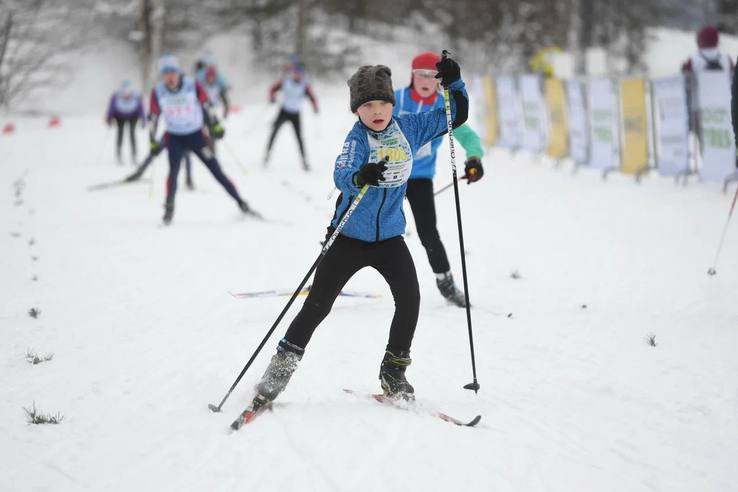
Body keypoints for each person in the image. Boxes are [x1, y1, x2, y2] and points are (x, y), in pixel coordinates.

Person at [240, 54, 469, 419]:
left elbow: (454, 115)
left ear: (392, 104)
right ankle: (277, 374)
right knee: (317, 306)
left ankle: (393, 373)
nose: (376, 111)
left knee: (410, 299)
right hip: (348, 235)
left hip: (390, 238)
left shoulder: (409, 127)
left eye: (382, 103)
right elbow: (342, 172)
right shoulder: (357, 138)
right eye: (367, 105)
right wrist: (361, 176)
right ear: (357, 111)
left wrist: (455, 84)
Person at [394, 51, 484, 307]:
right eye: (420, 74)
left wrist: (474, 158)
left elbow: (468, 137)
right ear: (412, 76)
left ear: (438, 79)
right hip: (391, 176)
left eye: (432, 75)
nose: (425, 79)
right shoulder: (396, 99)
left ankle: (446, 283)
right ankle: (327, 275)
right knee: (361, 222)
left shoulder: (443, 107)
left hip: (420, 178)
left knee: (428, 233)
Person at [148, 55, 255, 225]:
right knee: (173, 172)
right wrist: (152, 141)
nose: (170, 77)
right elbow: (153, 117)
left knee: (216, 171)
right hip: (174, 137)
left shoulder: (192, 85)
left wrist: (216, 125)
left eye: (173, 72)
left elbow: (207, 106)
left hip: (196, 136)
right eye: (166, 73)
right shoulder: (158, 91)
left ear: (178, 72)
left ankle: (241, 203)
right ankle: (169, 210)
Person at [264, 61, 319, 170]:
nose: (297, 76)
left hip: (295, 114)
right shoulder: (286, 82)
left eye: (299, 74)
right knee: (274, 133)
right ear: (292, 74)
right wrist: (272, 97)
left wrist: (315, 107)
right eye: (295, 73)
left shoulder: (304, 85)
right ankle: (267, 156)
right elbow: (272, 89)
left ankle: (304, 162)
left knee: (299, 138)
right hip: (284, 111)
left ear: (302, 75)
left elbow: (312, 97)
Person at [106, 80, 145, 165]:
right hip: (120, 116)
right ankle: (119, 155)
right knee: (120, 134)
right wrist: (109, 118)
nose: (126, 94)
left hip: (133, 116)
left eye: (128, 92)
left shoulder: (136, 96)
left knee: (132, 134)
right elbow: (111, 108)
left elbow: (141, 108)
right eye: (124, 92)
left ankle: (134, 155)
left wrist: (143, 119)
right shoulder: (116, 96)